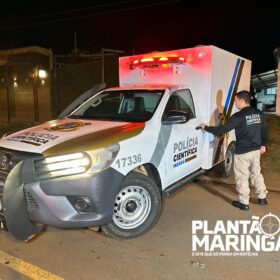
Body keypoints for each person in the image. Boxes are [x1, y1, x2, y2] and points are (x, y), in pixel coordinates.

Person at [199, 90, 268, 210]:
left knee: (242, 176)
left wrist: (206, 128)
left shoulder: (238, 117)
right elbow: (264, 131)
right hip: (256, 150)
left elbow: (222, 129)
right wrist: (263, 145)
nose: (236, 104)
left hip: (243, 152)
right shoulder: (259, 114)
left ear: (242, 100)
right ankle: (262, 197)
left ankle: (244, 202)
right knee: (256, 173)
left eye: (236, 101)